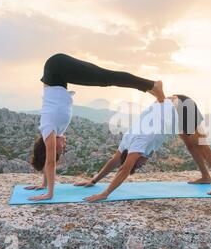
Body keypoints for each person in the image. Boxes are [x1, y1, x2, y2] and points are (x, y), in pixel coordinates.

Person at [26, 53, 165, 201]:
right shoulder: (55, 130)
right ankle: (149, 86)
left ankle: (153, 85)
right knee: (105, 78)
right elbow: (48, 160)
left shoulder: (48, 128)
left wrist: (49, 193)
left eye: (60, 149)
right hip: (58, 74)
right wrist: (44, 184)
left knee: (105, 78)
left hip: (57, 67)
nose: (63, 147)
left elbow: (50, 161)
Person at [76, 95, 211, 202]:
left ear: (135, 157)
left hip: (181, 106)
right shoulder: (127, 142)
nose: (142, 166)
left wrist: (105, 194)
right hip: (171, 106)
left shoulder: (139, 142)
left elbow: (123, 169)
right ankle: (206, 176)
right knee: (189, 143)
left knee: (202, 146)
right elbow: (113, 161)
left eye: (137, 165)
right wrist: (93, 180)